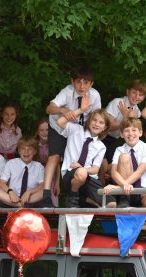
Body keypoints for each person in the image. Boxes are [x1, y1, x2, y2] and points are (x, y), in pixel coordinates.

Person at [43, 66, 101, 206]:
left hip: (79, 130)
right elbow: (49, 108)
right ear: (72, 82)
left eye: (86, 83)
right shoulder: (67, 91)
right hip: (59, 126)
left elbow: (97, 116)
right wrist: (62, 109)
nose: (82, 86)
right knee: (55, 156)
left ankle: (87, 194)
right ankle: (46, 194)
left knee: (82, 159)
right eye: (78, 82)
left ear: (91, 84)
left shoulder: (95, 95)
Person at [99, 81, 146, 184]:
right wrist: (126, 118)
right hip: (103, 138)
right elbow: (106, 128)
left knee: (111, 170)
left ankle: (119, 192)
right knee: (104, 168)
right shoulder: (118, 102)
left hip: (115, 140)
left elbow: (130, 129)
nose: (137, 96)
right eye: (134, 92)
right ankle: (101, 195)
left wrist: (128, 118)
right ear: (128, 91)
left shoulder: (137, 111)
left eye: (141, 95)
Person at [57, 104, 116, 208]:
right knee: (81, 173)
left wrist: (82, 168)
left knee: (111, 204)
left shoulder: (101, 146)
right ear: (89, 121)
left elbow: (95, 169)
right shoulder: (76, 130)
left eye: (101, 122)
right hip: (70, 175)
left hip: (89, 178)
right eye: (94, 120)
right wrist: (80, 110)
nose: (97, 124)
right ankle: (73, 197)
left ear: (104, 128)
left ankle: (82, 197)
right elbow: (60, 122)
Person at [104, 118, 146, 208]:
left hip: (144, 190)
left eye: (134, 130)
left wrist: (119, 187)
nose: (130, 133)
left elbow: (139, 172)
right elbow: (113, 172)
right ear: (121, 134)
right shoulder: (119, 149)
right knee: (124, 157)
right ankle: (124, 198)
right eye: (126, 131)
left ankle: (144, 219)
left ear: (140, 133)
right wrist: (125, 186)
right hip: (126, 191)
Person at [0, 136, 44, 208]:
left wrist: (29, 192)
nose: (26, 152)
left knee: (45, 191)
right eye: (23, 149)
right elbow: (1, 183)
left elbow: (42, 185)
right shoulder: (11, 163)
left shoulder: (39, 166)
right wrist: (10, 192)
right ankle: (21, 205)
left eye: (30, 149)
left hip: (30, 198)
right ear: (18, 151)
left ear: (35, 151)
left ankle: (22, 204)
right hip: (12, 198)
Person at [35, 118, 59, 207]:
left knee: (52, 197)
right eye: (41, 130)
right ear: (37, 132)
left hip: (51, 177)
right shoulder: (34, 145)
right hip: (37, 176)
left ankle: (52, 217)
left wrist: (57, 183)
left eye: (47, 130)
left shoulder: (54, 145)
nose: (45, 132)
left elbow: (57, 166)